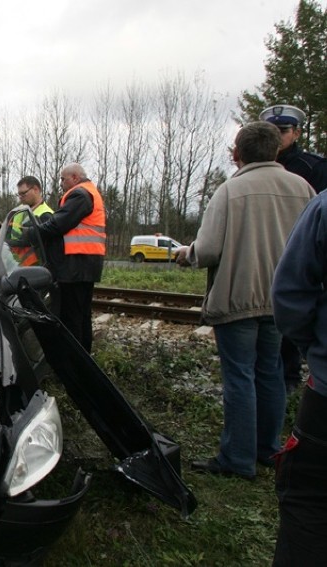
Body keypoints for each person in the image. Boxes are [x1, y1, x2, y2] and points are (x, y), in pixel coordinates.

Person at [174, 121, 314, 480]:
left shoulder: (230, 191)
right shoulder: (303, 188)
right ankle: (268, 449)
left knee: (240, 377)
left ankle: (237, 460)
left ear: (238, 153)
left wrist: (186, 253)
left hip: (238, 298)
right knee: (271, 373)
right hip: (283, 302)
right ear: (276, 149)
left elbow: (206, 250)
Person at [271, 189, 327, 566]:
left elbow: (290, 293)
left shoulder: (323, 205)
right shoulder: (303, 189)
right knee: (266, 375)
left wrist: (317, 354)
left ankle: (242, 454)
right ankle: (260, 446)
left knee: (310, 506)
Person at [260, 104, 326, 393]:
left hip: (302, 261)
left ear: (297, 133)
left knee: (286, 341)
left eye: (283, 130)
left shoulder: (315, 169)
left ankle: (289, 381)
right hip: (267, 261)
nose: (278, 136)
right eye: (272, 131)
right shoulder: (255, 169)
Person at [31, 164, 105, 352]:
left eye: (63, 179)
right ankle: (83, 359)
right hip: (84, 263)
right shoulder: (88, 192)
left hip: (77, 264)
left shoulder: (80, 194)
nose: (61, 183)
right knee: (80, 315)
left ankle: (76, 360)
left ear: (74, 177)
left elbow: (57, 224)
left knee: (72, 316)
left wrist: (31, 233)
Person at [9, 176, 54, 266]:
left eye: (23, 193)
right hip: (16, 266)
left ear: (36, 189)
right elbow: (13, 235)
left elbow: (39, 245)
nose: (20, 197)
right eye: (19, 194)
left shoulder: (46, 215)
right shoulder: (19, 212)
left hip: (36, 269)